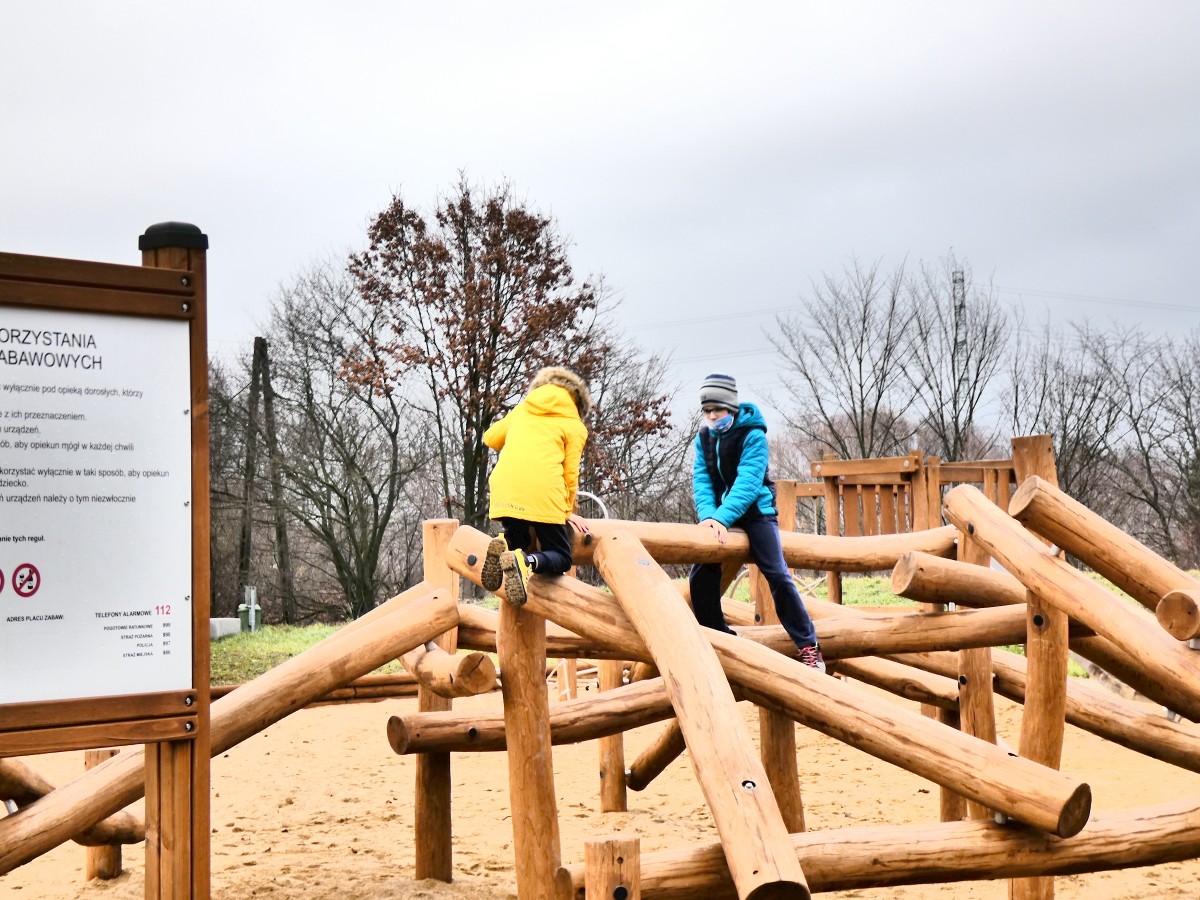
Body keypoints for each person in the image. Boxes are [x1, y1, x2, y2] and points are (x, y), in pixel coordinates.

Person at [689, 373, 826, 672]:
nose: (713, 417)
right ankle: (715, 633)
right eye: (707, 411)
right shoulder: (704, 438)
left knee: (777, 574)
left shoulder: (753, 435)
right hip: (720, 516)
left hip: (756, 513)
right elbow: (701, 480)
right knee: (700, 574)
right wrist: (709, 517)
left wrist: (721, 516)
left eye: (718, 410)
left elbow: (748, 484)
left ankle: (808, 645)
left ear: (732, 408)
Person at [480, 366, 592, 605]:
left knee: (519, 538)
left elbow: (490, 437)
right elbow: (570, 474)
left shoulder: (523, 409)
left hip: (505, 488)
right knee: (561, 557)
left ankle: (504, 544)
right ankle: (527, 562)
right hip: (543, 491)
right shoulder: (574, 425)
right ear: (578, 402)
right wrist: (567, 512)